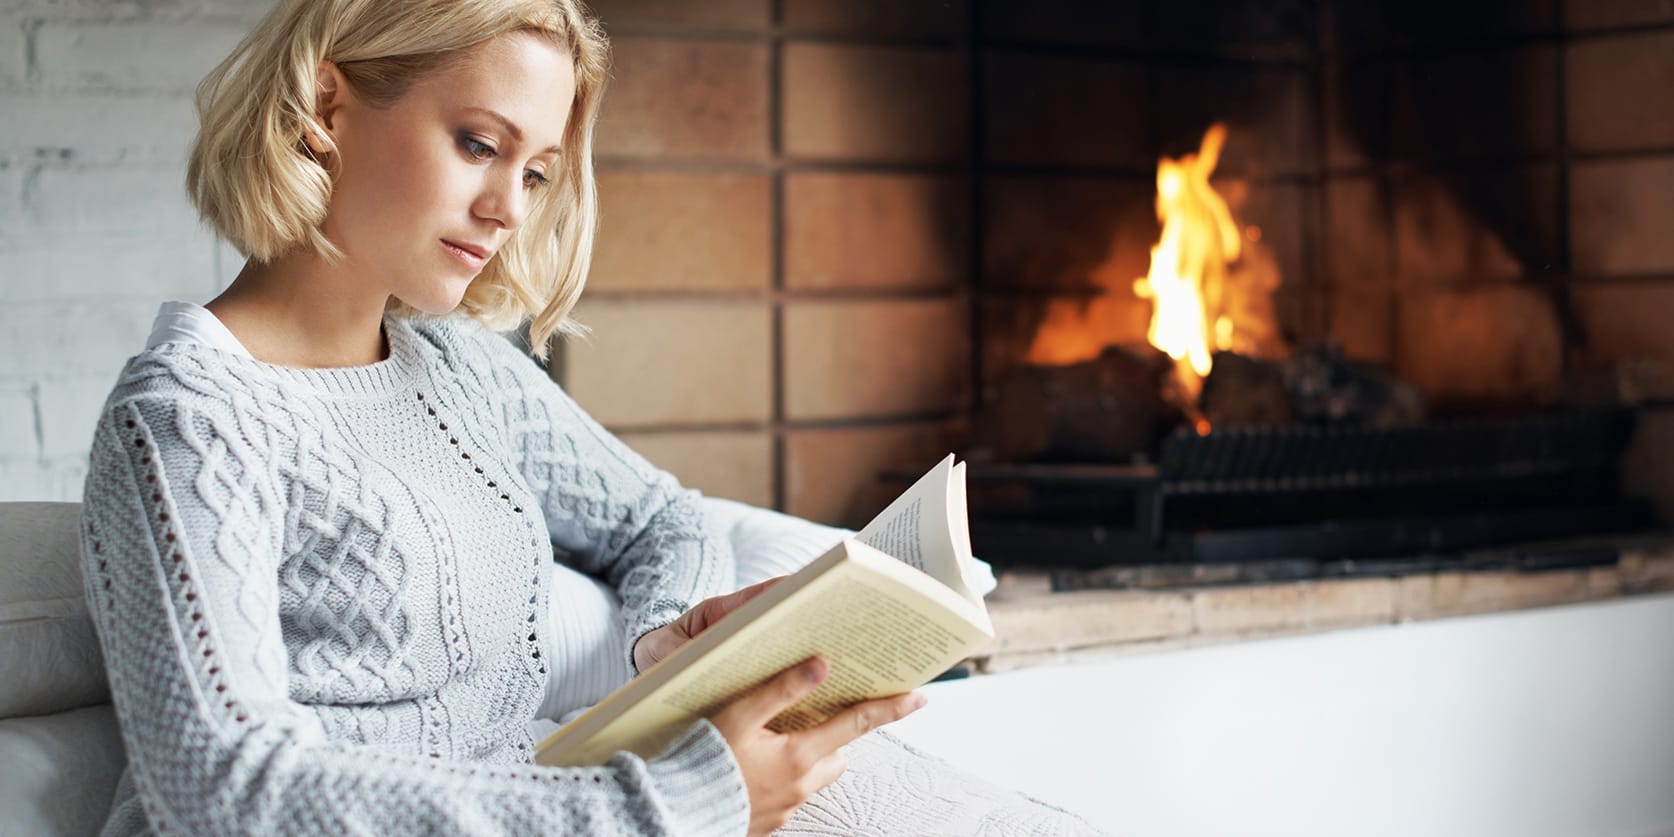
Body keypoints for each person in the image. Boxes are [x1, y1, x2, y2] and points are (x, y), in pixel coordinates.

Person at [78, 1, 1105, 834]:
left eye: (535, 173)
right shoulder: (189, 420)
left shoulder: (460, 370)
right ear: (324, 104)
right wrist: (672, 802)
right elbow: (223, 786)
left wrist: (665, 642)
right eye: (479, 144)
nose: (510, 211)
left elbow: (659, 518)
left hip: (572, 796)